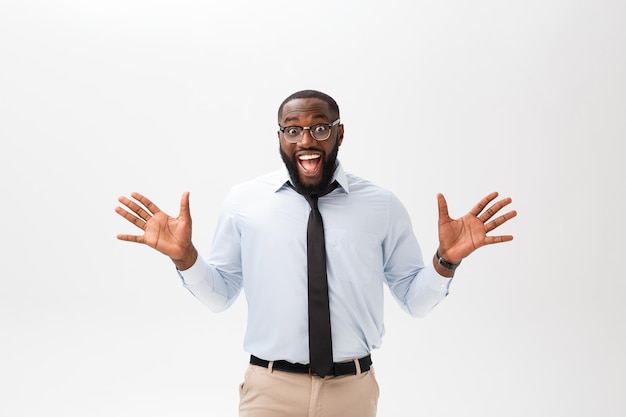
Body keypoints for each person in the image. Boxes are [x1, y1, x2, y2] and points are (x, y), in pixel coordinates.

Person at [115, 89, 517, 417]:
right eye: (292, 130)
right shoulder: (244, 202)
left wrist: (447, 260)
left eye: (319, 128)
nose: (305, 140)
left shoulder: (381, 205)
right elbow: (220, 296)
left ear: (339, 134)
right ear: (279, 137)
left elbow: (415, 301)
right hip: (269, 390)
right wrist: (184, 257)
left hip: (353, 393)